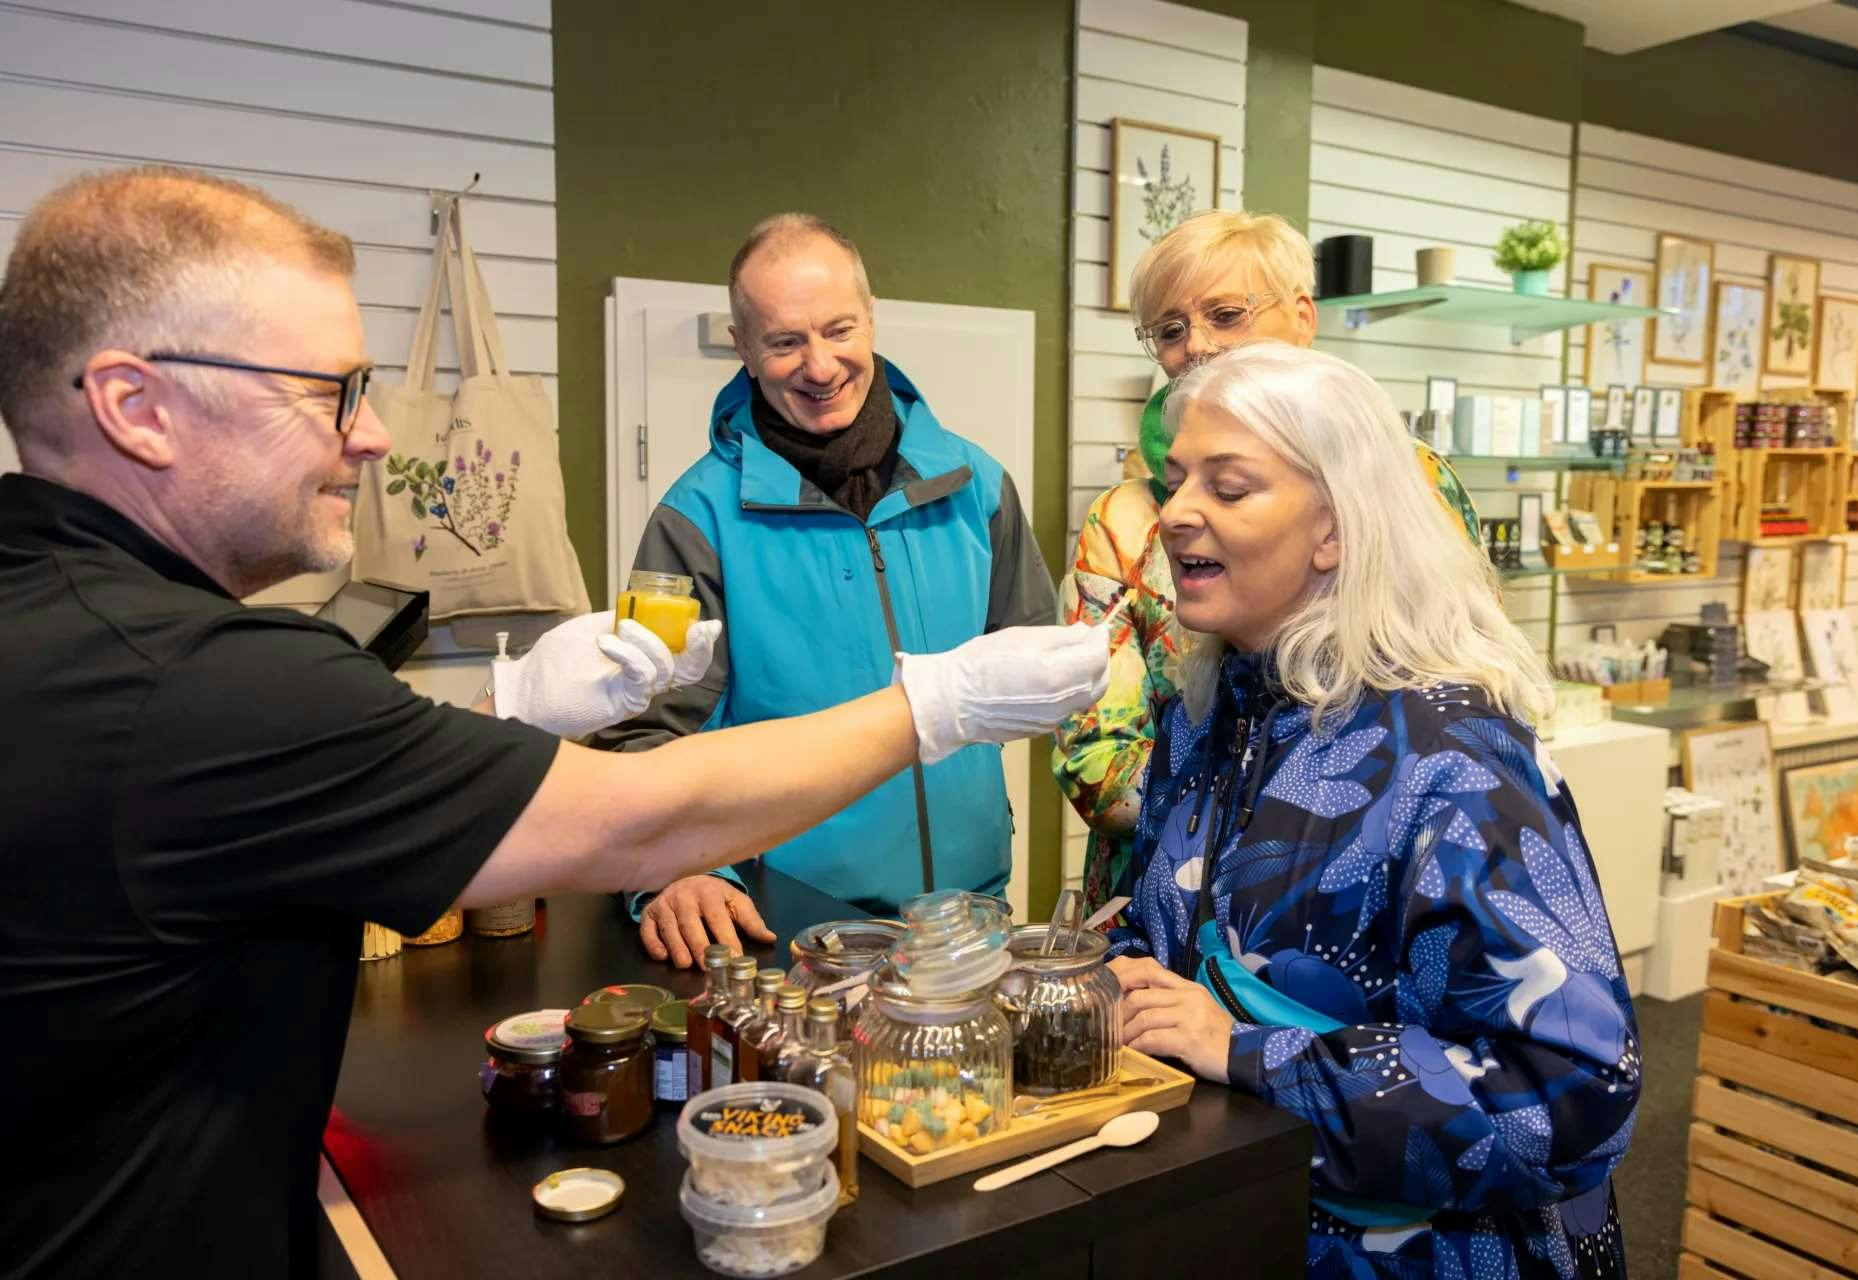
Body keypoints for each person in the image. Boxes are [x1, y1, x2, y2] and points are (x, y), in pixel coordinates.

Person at [0, 166, 1108, 1278]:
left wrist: (508, 707)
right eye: (330, 391)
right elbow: (627, 816)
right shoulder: (197, 681)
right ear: (136, 406)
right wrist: (932, 702)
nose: (376, 435)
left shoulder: (62, 623)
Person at [1104, 342, 1638, 1278]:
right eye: (1176, 478)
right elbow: (1179, 951)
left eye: (1228, 488)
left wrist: (1246, 1053)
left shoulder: (1451, 756)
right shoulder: (1201, 717)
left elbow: (1571, 1097)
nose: (1177, 511)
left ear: (1334, 530)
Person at [594, 213, 1056, 965]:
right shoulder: (696, 518)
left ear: (869, 319)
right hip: (795, 927)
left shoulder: (977, 486)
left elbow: (1029, 676)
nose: (820, 364)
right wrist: (681, 870)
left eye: (839, 330)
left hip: (971, 921)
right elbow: (643, 731)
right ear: (744, 348)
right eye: (784, 341)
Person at [1055, 210, 1485, 919]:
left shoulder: (1406, 482)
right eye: (1168, 330)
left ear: (1303, 316)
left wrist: (1318, 826)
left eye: (1225, 315)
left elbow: (1464, 688)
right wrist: (1244, 818)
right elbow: (1094, 759)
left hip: (1357, 907)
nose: (1196, 347)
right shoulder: (1128, 519)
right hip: (1158, 911)